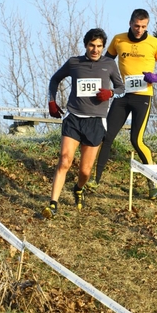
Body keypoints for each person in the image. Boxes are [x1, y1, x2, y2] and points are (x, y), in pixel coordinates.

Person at [87, 9, 157, 199]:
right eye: (136, 26)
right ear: (130, 23)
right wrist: (103, 84)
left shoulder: (154, 43)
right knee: (106, 137)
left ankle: (153, 181)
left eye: (143, 26)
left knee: (136, 140)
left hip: (143, 97)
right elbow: (105, 63)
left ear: (147, 25)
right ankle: (95, 179)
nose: (139, 29)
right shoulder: (119, 40)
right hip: (123, 95)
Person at [42, 28, 125, 218]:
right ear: (85, 45)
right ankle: (53, 204)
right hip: (74, 117)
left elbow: (121, 88)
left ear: (103, 47)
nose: (95, 50)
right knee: (64, 160)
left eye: (99, 47)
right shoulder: (74, 62)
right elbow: (54, 79)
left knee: (85, 171)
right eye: (91, 46)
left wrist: (110, 93)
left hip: (96, 121)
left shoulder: (109, 64)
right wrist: (51, 101)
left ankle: (78, 188)